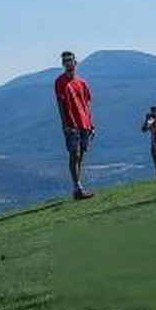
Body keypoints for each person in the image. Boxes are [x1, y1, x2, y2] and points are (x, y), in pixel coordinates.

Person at [53, 50, 94, 199]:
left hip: (85, 123)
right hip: (71, 124)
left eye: (70, 60)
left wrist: (91, 124)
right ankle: (77, 187)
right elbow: (60, 104)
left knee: (80, 155)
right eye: (65, 61)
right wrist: (65, 124)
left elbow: (87, 104)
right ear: (63, 64)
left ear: (75, 62)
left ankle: (78, 187)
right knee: (74, 154)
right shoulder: (60, 82)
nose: (68, 63)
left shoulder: (82, 82)